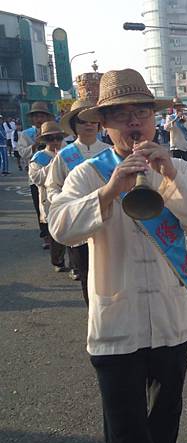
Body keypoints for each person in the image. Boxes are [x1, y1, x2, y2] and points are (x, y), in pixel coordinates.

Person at [48, 68, 187, 443]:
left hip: (172, 322)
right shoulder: (87, 174)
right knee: (126, 436)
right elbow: (60, 227)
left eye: (142, 112)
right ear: (104, 123)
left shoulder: (179, 168)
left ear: (154, 119)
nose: (134, 122)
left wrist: (170, 174)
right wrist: (109, 191)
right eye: (122, 114)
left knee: (164, 426)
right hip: (116, 327)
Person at [45, 99, 105, 301]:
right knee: (87, 273)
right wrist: (65, 205)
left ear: (99, 124)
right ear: (73, 126)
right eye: (82, 121)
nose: (88, 125)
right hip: (80, 222)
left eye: (92, 121)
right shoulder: (64, 155)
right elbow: (52, 186)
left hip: (109, 221)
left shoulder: (110, 152)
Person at [29, 121, 68, 272]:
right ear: (45, 140)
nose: (56, 142)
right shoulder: (39, 157)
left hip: (68, 196)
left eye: (58, 138)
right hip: (49, 199)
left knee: (72, 230)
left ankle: (76, 266)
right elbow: (37, 178)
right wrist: (54, 164)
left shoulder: (69, 153)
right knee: (56, 232)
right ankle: (58, 261)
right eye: (51, 139)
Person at [18, 102, 57, 248]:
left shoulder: (54, 131)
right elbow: (22, 153)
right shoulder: (26, 134)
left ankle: (58, 233)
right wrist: (34, 144)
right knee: (40, 206)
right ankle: (46, 235)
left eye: (42, 115)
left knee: (57, 204)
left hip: (56, 175)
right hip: (36, 177)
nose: (39, 119)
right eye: (36, 116)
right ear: (32, 119)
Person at [164, 97, 187, 166]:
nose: (178, 108)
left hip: (186, 146)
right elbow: (166, 128)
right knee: (176, 167)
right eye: (176, 106)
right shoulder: (170, 117)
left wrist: (185, 121)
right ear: (174, 108)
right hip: (175, 146)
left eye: (179, 106)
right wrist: (175, 119)